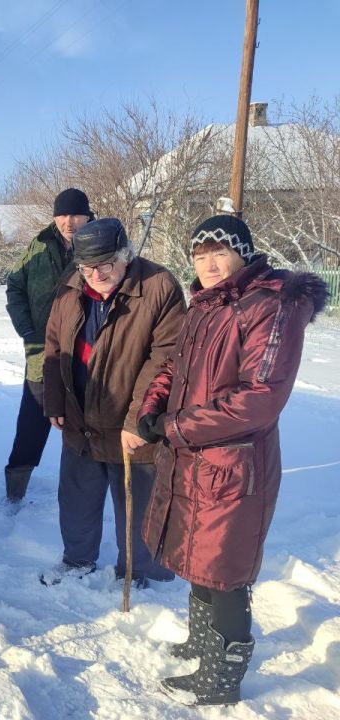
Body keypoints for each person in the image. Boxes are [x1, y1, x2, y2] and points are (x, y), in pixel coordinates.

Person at [136, 215, 328, 706]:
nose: (209, 264)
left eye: (220, 253)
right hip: (193, 459)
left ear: (244, 252)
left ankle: (222, 678)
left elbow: (260, 397)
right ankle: (202, 643)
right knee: (199, 556)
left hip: (233, 464)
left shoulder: (270, 306)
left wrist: (175, 427)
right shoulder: (207, 304)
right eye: (200, 256)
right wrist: (153, 406)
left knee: (226, 569)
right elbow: (176, 364)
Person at [41, 217, 184, 587]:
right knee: (76, 500)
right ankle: (76, 560)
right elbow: (54, 345)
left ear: (125, 256)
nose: (95, 274)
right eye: (87, 267)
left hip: (130, 425)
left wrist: (139, 419)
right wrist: (54, 400)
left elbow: (165, 360)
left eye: (105, 264)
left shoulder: (158, 286)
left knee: (137, 507)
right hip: (79, 419)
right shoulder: (71, 285)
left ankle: (140, 573)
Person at [4, 188, 93, 502]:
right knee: (31, 424)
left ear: (87, 215)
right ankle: (15, 492)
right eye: (62, 214)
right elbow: (14, 286)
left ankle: (83, 497)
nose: (69, 222)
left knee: (84, 425)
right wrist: (27, 330)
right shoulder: (38, 245)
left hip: (86, 357)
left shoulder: (100, 244)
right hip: (42, 353)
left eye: (76, 214)